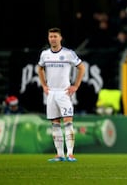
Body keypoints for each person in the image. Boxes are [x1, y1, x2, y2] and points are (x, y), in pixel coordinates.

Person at [37, 27, 86, 162]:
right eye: (50, 36)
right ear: (48, 38)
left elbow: (81, 67)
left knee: (68, 123)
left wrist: (75, 85)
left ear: (60, 38)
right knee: (55, 124)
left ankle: (70, 154)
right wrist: (44, 85)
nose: (53, 39)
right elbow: (39, 68)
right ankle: (59, 155)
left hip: (64, 93)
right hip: (51, 93)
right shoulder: (45, 54)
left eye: (55, 36)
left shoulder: (68, 53)